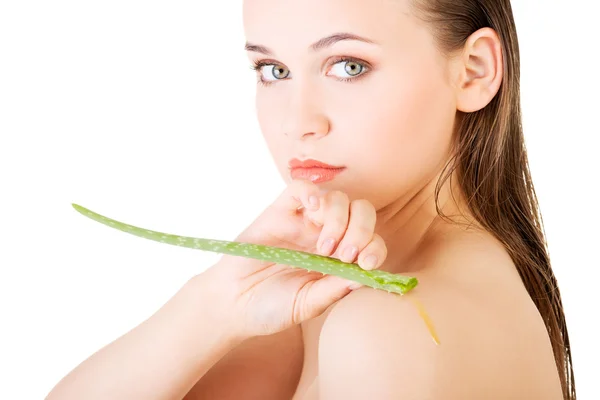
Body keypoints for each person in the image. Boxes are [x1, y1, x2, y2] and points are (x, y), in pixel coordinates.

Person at [46, 0, 576, 399]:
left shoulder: (383, 327)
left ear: (475, 71)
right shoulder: (322, 299)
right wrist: (214, 304)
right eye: (273, 71)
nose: (297, 123)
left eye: (348, 65)